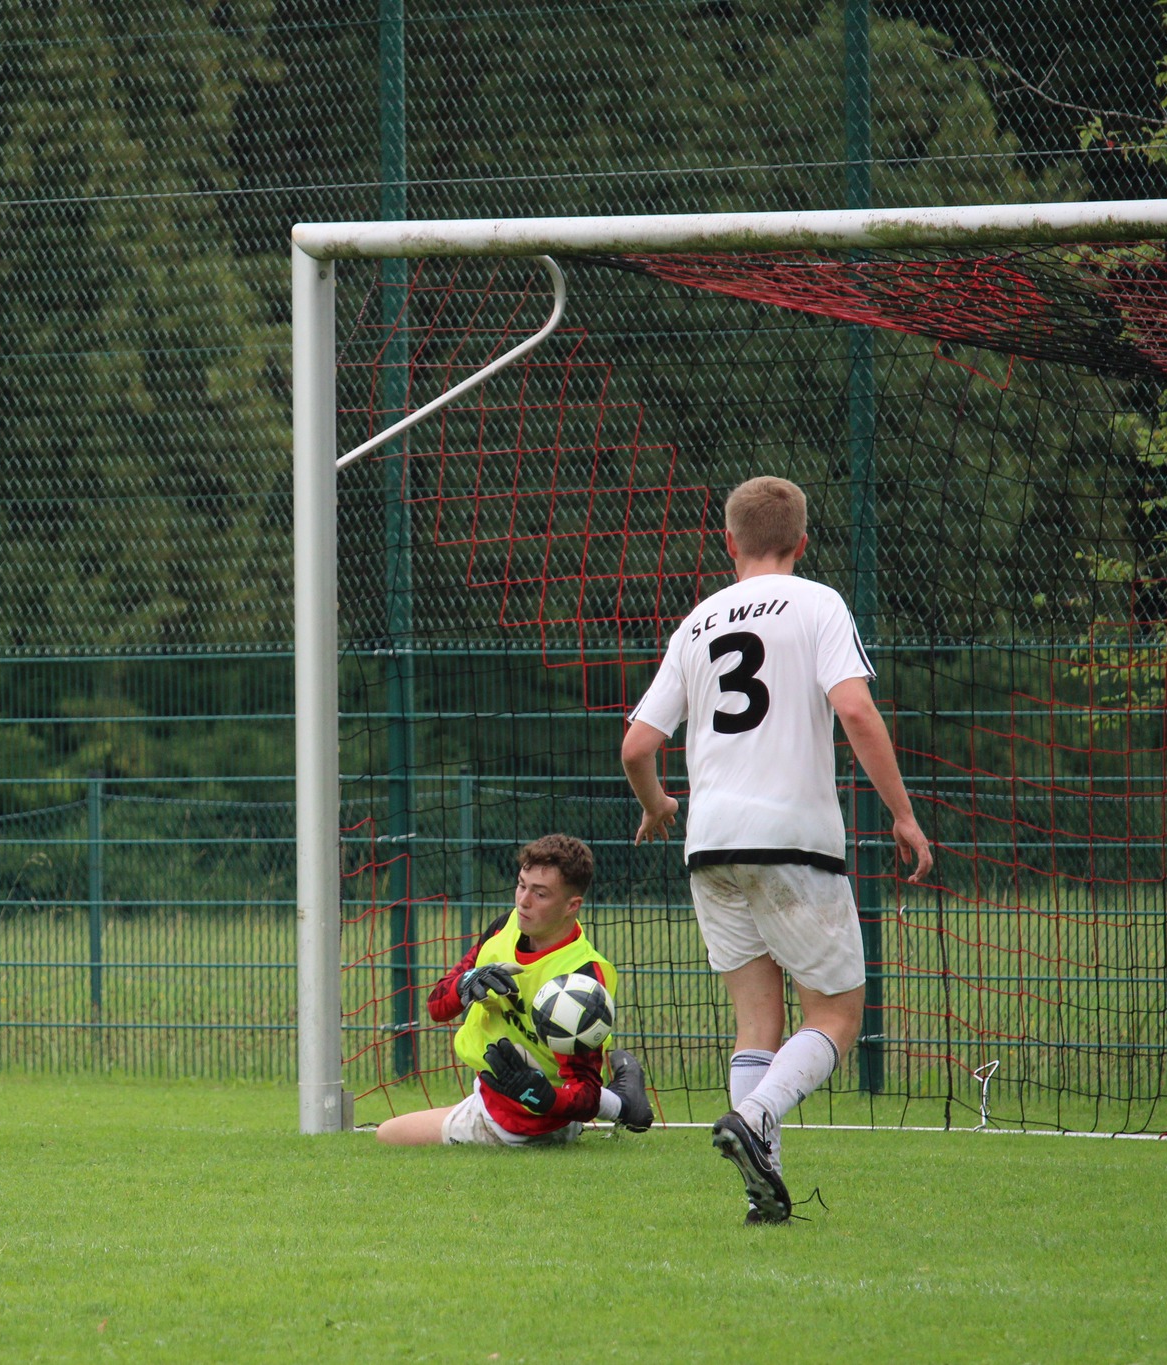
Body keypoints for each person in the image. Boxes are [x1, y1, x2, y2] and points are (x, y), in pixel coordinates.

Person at [621, 475, 932, 1224]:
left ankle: (763, 1190)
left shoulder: (696, 622)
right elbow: (855, 708)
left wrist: (658, 806)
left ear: (728, 541)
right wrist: (903, 814)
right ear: (801, 542)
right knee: (837, 1014)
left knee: (756, 1023)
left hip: (710, 845)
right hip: (793, 839)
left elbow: (636, 746)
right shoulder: (818, 602)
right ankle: (756, 1117)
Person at [376, 834, 654, 1147]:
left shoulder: (582, 978)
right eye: (522, 885)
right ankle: (624, 1104)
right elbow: (437, 1007)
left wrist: (543, 1098)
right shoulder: (504, 927)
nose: (523, 901)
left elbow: (585, 1092)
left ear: (572, 905)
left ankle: (621, 1104)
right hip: (500, 1095)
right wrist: (466, 983)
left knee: (388, 1135)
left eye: (540, 894)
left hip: (527, 1123)